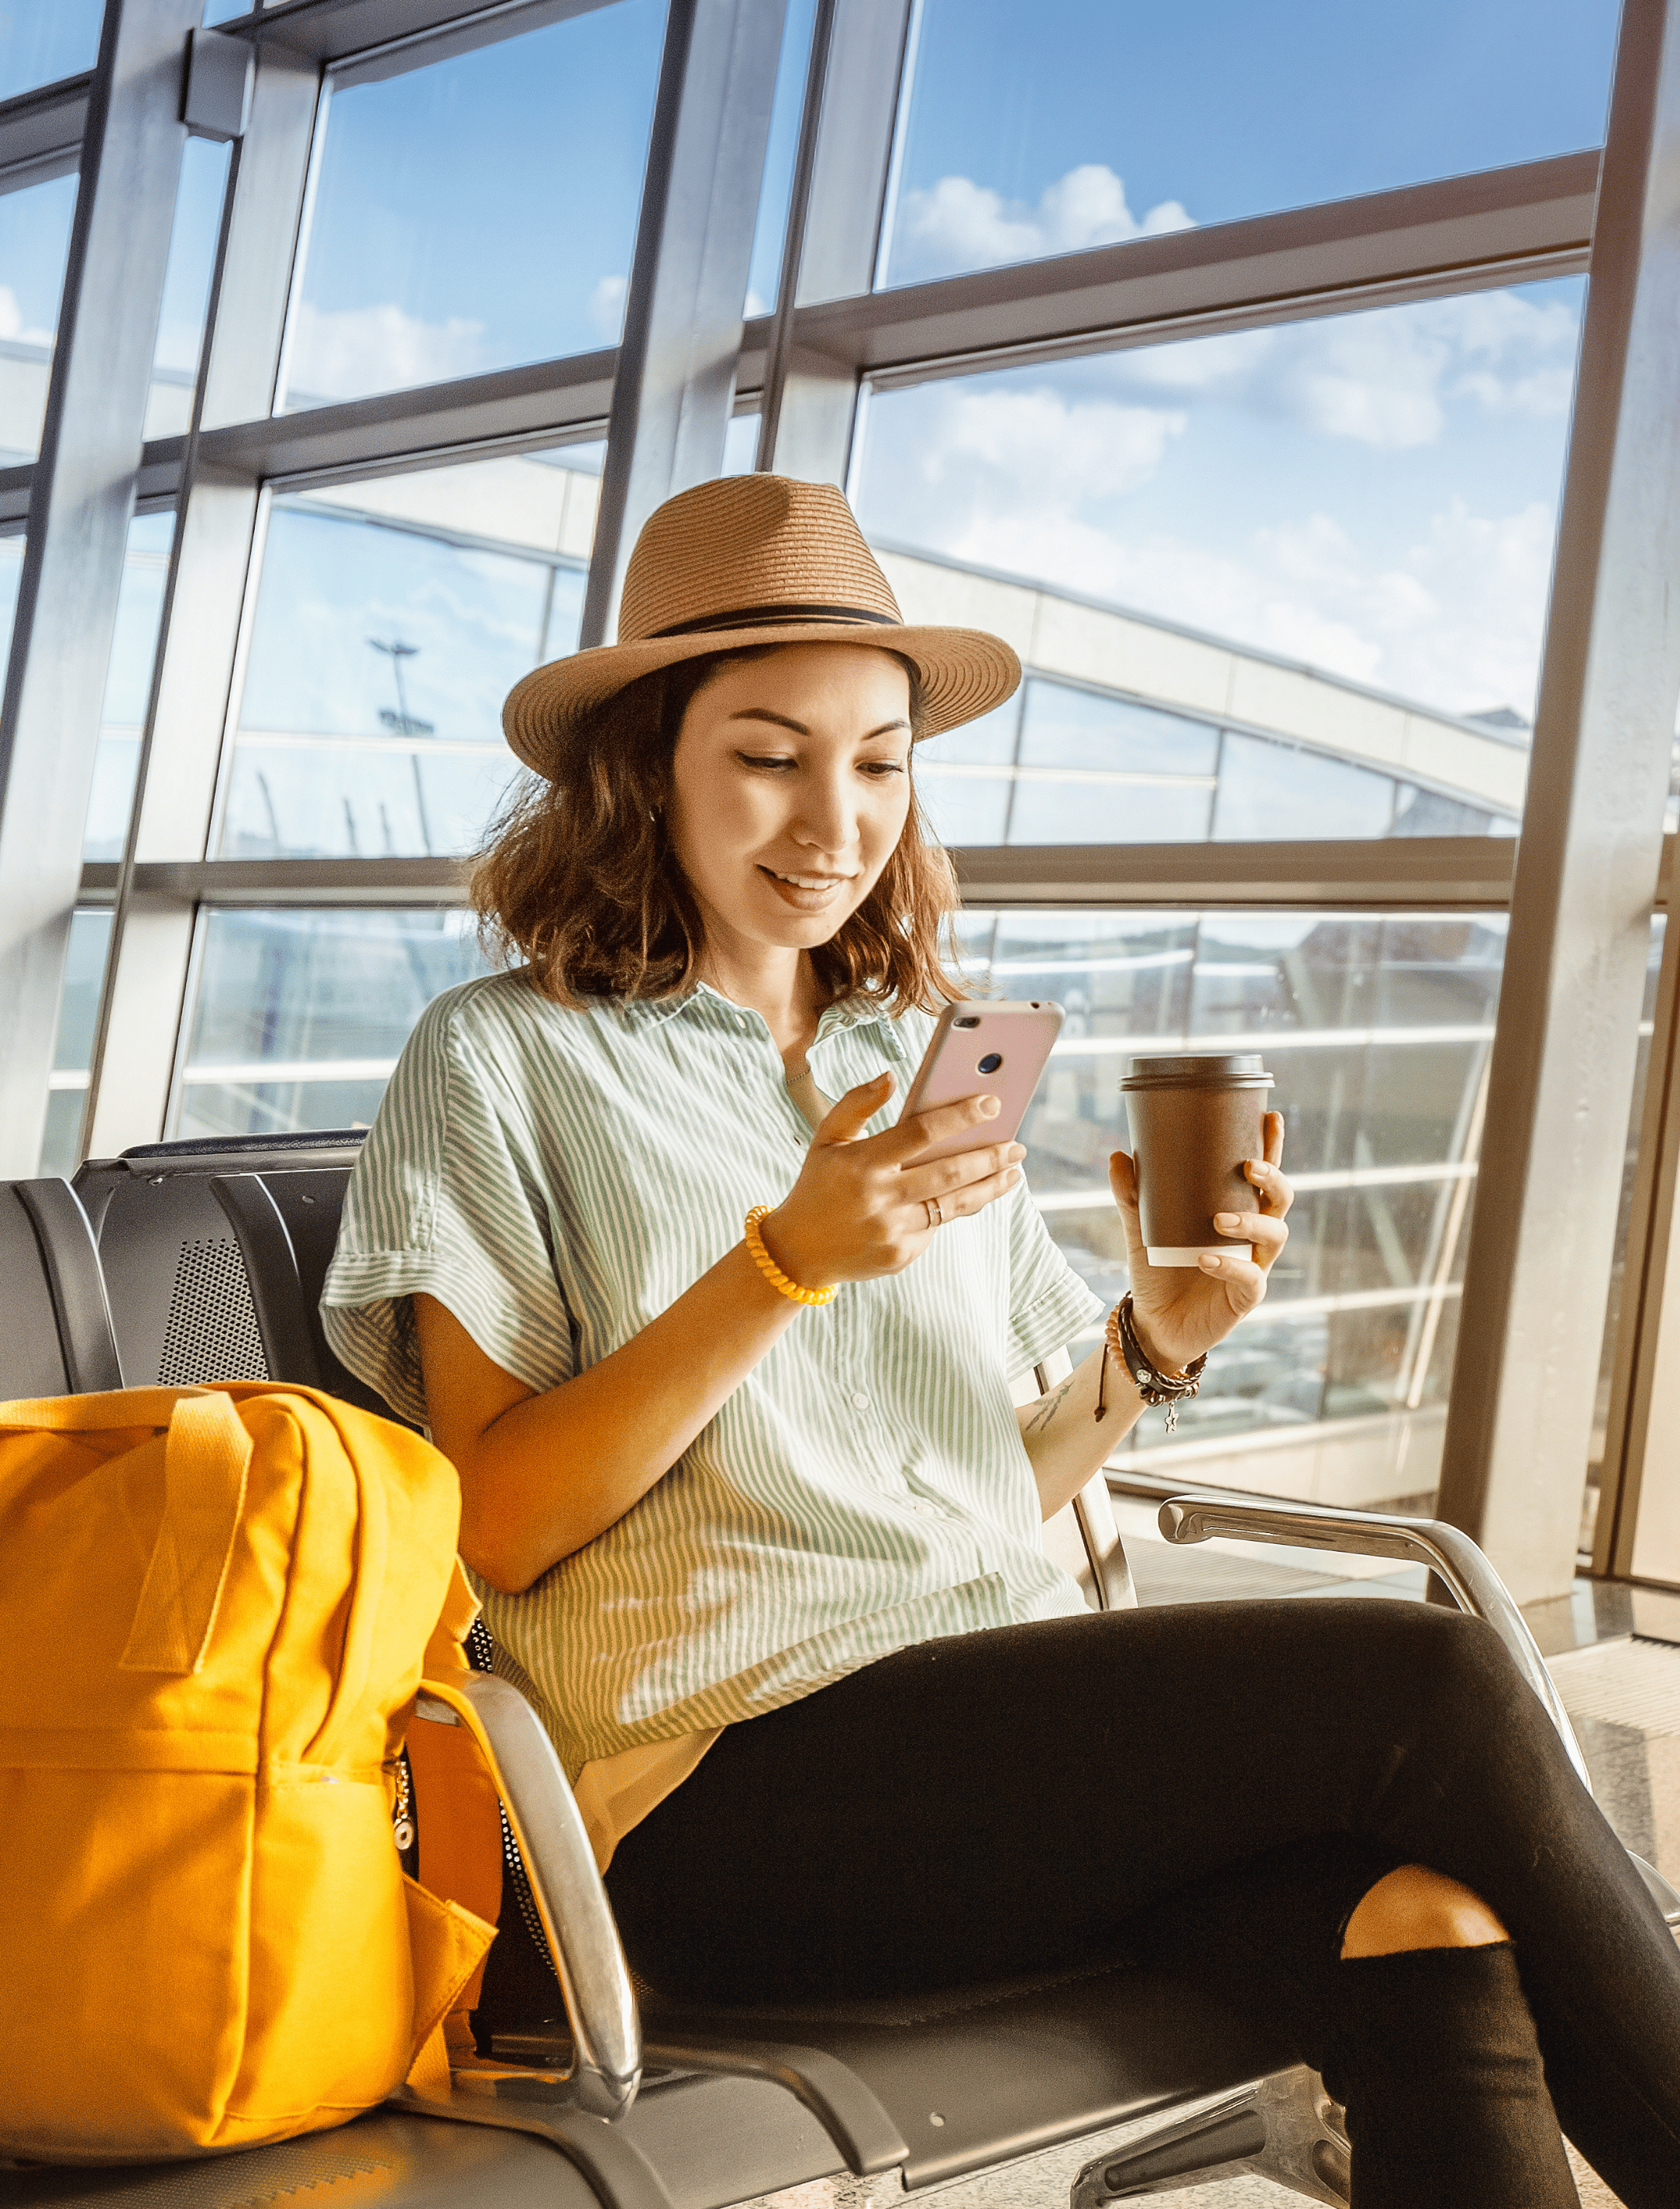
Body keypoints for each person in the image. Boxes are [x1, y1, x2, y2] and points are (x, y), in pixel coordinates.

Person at [322, 474, 1680, 2207]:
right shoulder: (497, 1057)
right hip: (715, 1793)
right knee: (1421, 1682)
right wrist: (779, 1268)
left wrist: (1153, 1347)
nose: (835, 816)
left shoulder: (911, 1048)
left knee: (1427, 1926)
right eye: (767, 754)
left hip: (984, 1749)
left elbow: (990, 1485)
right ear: (642, 763)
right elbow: (496, 1521)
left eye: (879, 761)